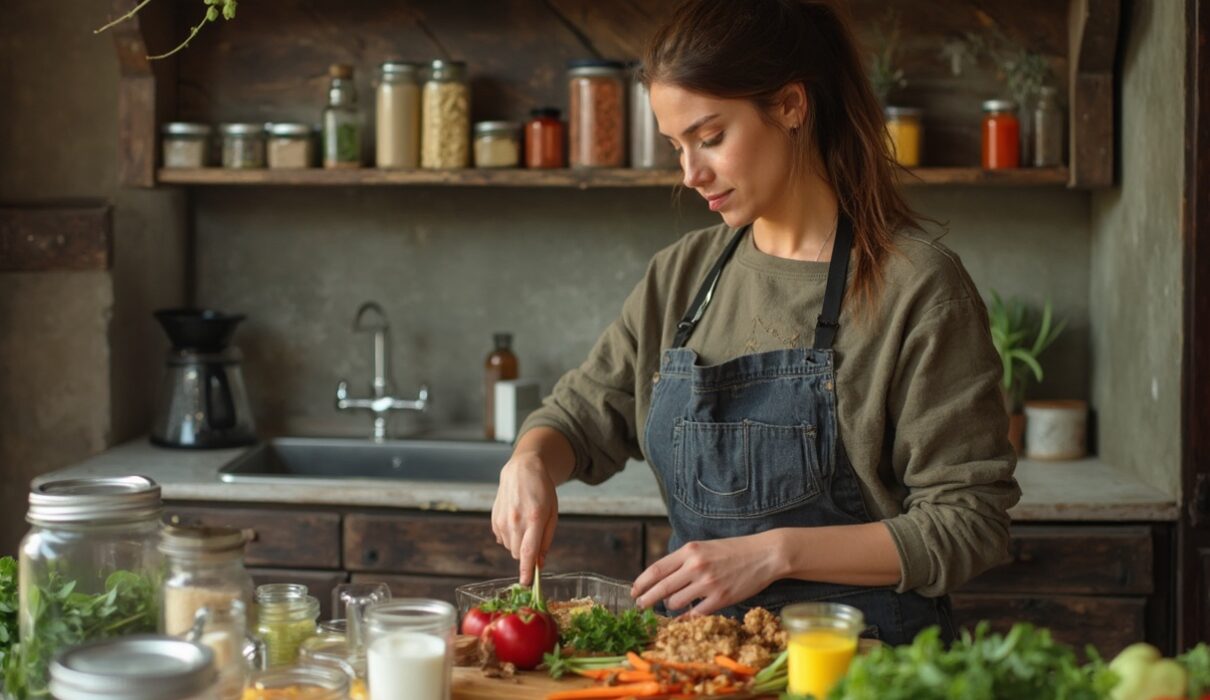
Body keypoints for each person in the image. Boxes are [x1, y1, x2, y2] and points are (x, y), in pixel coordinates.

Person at [491, 0, 1021, 646]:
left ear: (792, 106)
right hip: (697, 665)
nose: (691, 174)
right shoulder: (680, 279)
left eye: (710, 138)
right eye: (677, 147)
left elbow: (970, 522)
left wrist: (774, 554)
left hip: (856, 668)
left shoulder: (918, 289)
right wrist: (529, 462)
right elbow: (577, 416)